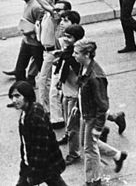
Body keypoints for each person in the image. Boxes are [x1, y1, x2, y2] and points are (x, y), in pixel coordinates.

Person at [74, 38, 127, 185]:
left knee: (90, 150)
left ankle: (94, 180)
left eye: (76, 53)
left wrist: (98, 128)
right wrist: (77, 106)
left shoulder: (95, 77)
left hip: (92, 117)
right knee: (88, 146)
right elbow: (81, 90)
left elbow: (102, 106)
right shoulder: (84, 67)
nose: (74, 55)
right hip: (87, 114)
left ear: (87, 54)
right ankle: (117, 156)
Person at [8, 80, 67, 186]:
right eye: (12, 97)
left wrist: (34, 173)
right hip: (30, 163)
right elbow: (26, 144)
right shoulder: (25, 113)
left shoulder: (35, 117)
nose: (14, 100)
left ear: (27, 96)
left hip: (45, 165)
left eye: (17, 96)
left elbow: (41, 148)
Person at [3, 0, 45, 85]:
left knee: (42, 69)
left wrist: (29, 31)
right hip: (27, 42)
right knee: (20, 69)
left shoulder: (36, 7)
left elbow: (42, 26)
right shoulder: (27, 3)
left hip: (35, 44)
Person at [55, 24, 85, 166]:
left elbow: (80, 77)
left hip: (74, 95)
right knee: (69, 121)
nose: (66, 39)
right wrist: (60, 83)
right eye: (65, 35)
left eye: (69, 37)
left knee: (73, 126)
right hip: (67, 93)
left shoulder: (75, 57)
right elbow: (64, 69)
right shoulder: (67, 52)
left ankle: (74, 153)